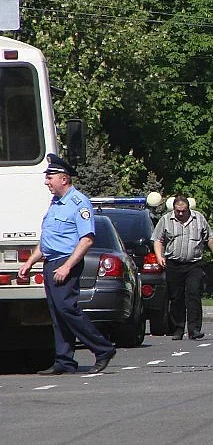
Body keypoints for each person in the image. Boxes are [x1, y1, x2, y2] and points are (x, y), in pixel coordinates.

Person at [17, 154, 117, 375]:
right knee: (57, 313)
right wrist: (30, 262)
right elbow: (48, 240)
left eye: (50, 177)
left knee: (67, 308)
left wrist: (67, 266)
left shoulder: (78, 203)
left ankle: (103, 348)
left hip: (65, 262)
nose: (46, 182)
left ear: (64, 178)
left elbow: (87, 239)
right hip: (51, 262)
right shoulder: (55, 203)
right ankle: (64, 360)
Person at [152, 195, 213, 340]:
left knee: (193, 294)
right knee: (176, 297)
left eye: (184, 211)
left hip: (194, 264)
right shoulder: (165, 219)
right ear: (174, 209)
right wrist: (159, 256)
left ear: (188, 208)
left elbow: (210, 238)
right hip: (174, 264)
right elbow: (158, 239)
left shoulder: (199, 218)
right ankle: (178, 329)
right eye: (178, 211)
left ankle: (194, 329)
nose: (181, 214)